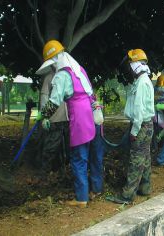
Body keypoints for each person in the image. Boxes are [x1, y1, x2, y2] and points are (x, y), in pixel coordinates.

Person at [36, 40, 103, 208]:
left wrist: (43, 115)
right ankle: (97, 189)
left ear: (54, 62)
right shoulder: (79, 70)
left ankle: (81, 198)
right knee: (94, 154)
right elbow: (90, 93)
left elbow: (54, 101)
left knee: (78, 158)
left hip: (80, 117)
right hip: (93, 113)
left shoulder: (61, 75)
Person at [106, 49, 154, 204]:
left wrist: (134, 130)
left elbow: (139, 110)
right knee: (144, 157)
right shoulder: (144, 81)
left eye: (130, 66)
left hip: (141, 125)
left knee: (136, 160)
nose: (129, 70)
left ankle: (127, 195)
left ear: (136, 65)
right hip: (146, 125)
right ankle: (145, 188)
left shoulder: (142, 83)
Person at [37, 69, 70, 182]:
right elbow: (44, 97)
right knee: (50, 149)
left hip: (68, 119)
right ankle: (43, 175)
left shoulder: (68, 75)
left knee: (69, 148)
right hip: (54, 119)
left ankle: (65, 172)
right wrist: (45, 116)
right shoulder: (49, 77)